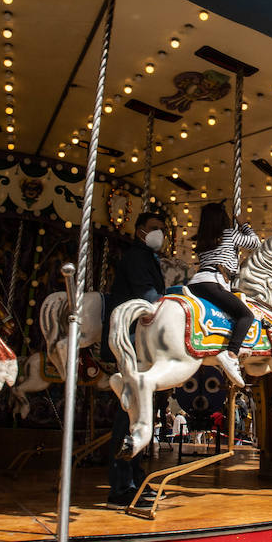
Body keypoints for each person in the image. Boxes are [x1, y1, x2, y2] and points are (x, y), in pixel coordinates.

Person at [106, 212, 168, 509]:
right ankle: (121, 486)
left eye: (164, 230)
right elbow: (148, 295)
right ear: (140, 231)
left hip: (143, 338)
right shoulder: (136, 257)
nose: (161, 234)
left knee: (143, 410)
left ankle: (135, 477)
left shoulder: (149, 257)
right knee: (129, 411)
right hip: (131, 336)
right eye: (156, 229)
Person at [187, 203, 259, 387]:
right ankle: (231, 354)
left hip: (196, 283)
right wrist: (244, 225)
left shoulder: (202, 240)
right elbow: (255, 243)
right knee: (246, 315)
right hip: (214, 281)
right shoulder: (229, 234)